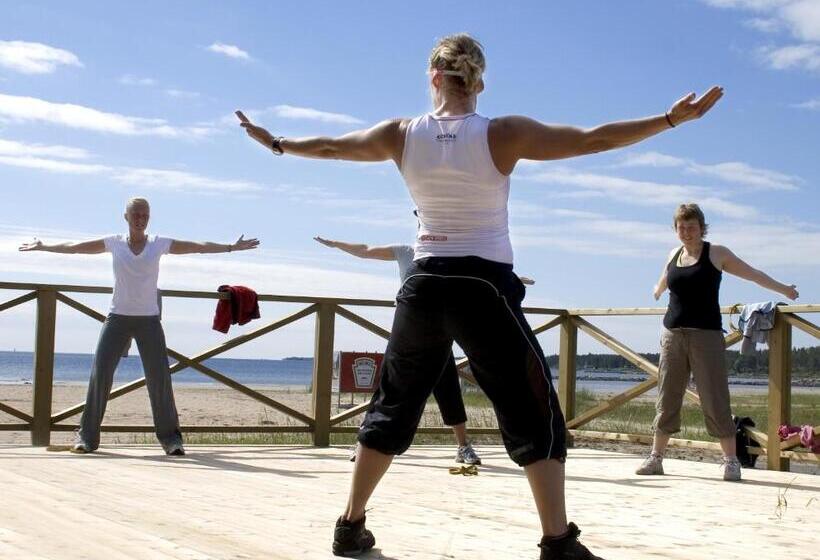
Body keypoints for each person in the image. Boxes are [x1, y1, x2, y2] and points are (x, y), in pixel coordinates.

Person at [238, 32, 723, 560]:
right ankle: (558, 541)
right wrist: (669, 120)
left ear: (433, 77)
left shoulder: (400, 134)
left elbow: (332, 147)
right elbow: (593, 140)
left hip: (422, 284)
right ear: (479, 82)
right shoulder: (501, 133)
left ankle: (349, 526)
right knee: (534, 408)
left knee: (392, 405)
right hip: (482, 286)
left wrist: (277, 143)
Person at [19, 197, 259, 456]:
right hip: (117, 319)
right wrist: (44, 246)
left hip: (149, 321)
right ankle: (86, 438)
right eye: (136, 214)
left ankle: (171, 440)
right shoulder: (114, 243)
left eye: (145, 215)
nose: (140, 219)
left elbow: (196, 247)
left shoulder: (158, 244)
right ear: (126, 216)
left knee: (159, 379)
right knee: (100, 375)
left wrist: (230, 247)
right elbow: (76, 247)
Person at [315, 235, 533, 465]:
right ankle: (365, 445)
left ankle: (463, 447)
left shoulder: (450, 256)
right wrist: (336, 244)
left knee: (448, 389)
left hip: (442, 333)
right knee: (388, 391)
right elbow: (366, 248)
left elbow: (475, 277)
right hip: (409, 333)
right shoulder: (405, 251)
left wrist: (513, 279)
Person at [636, 203, 798, 481]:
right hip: (672, 334)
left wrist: (784, 289)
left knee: (715, 397)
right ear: (676, 229)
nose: (686, 232)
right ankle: (656, 458)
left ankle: (731, 461)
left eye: (691, 227)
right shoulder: (674, 254)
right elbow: (664, 280)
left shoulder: (716, 253)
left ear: (702, 227)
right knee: (667, 396)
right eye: (681, 227)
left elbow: (753, 274)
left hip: (706, 335)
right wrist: (656, 290)